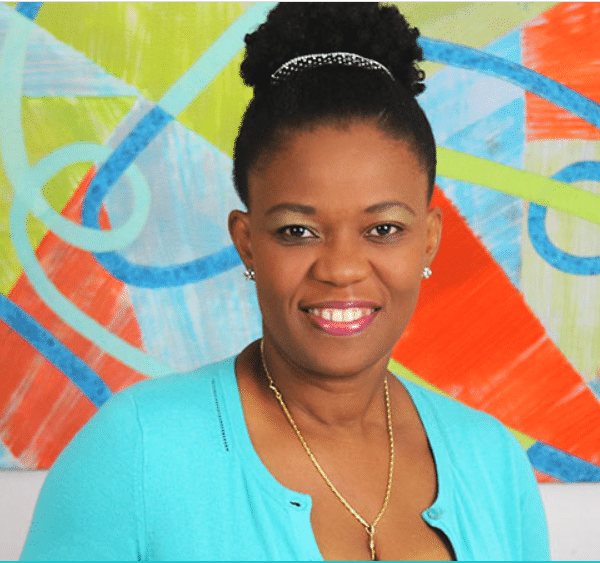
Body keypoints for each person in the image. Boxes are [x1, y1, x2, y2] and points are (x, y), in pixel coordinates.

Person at [20, 3, 549, 561]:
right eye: (298, 230)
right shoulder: (136, 451)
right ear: (247, 241)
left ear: (429, 239)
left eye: (383, 229)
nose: (341, 269)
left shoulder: (492, 462)